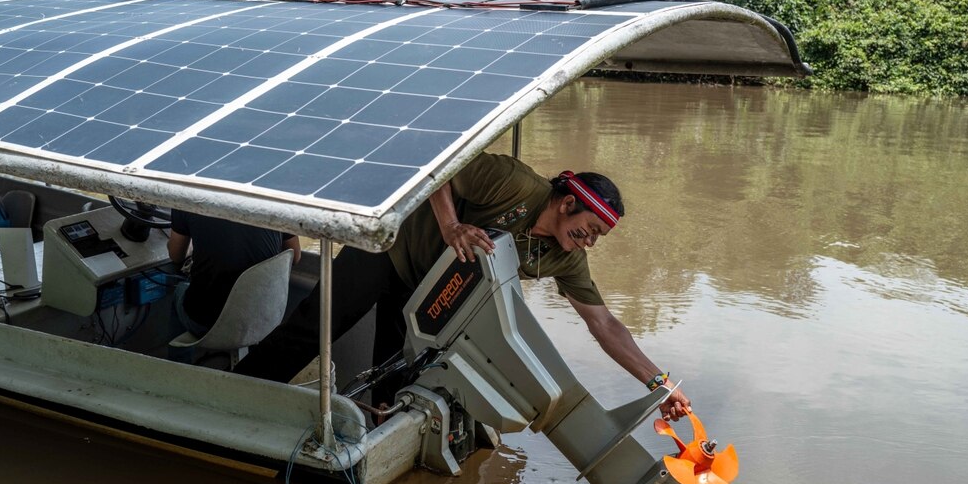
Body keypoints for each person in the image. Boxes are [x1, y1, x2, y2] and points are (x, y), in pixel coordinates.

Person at [236, 153, 691, 422]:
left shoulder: (564, 256)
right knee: (316, 328)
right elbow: (440, 165)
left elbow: (603, 322)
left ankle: (373, 432)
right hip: (392, 249)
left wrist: (660, 383)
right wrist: (452, 226)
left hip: (424, 289)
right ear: (568, 203)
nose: (589, 241)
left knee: (395, 370)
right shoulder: (515, 183)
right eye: (589, 228)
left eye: (597, 238)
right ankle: (235, 393)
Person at [166, 208, 301, 361]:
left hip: (209, 324)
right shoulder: (276, 202)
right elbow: (295, 256)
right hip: (267, 318)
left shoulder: (186, 197)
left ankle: (179, 369)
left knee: (180, 290)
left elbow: (176, 255)